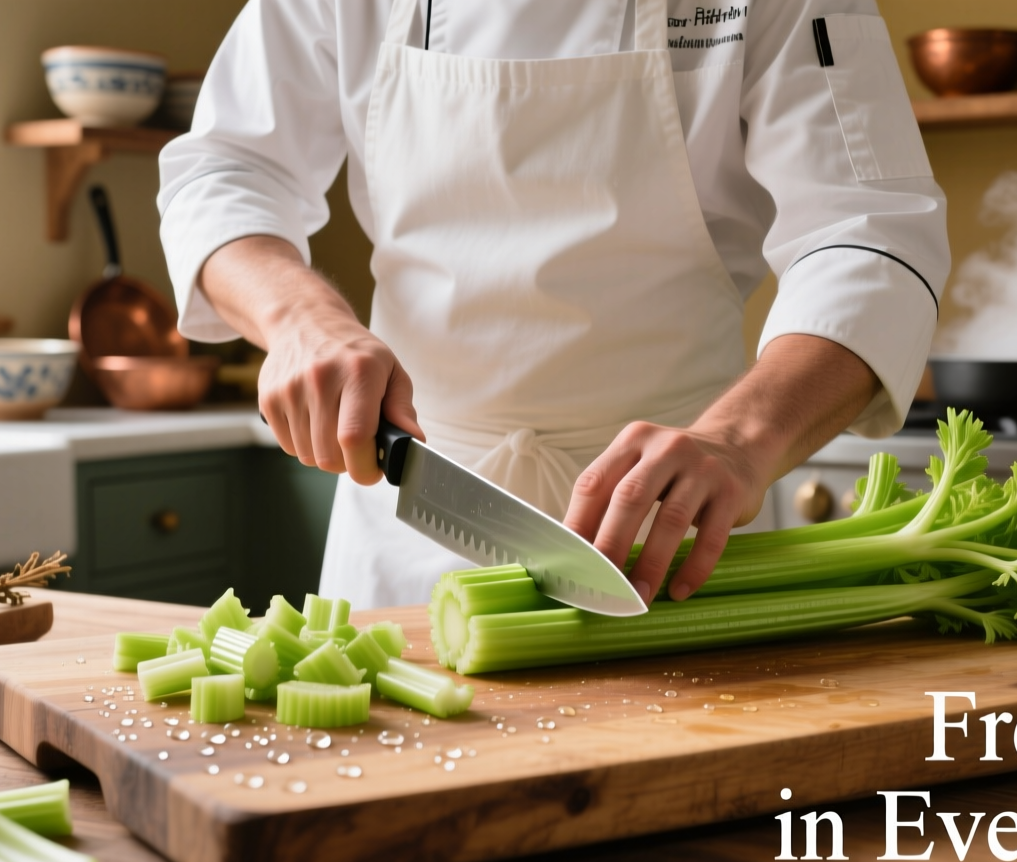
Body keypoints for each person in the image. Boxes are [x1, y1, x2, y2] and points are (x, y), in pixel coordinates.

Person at [158, 0, 947, 610]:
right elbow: (224, 170)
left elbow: (871, 230)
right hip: (411, 500)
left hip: (671, 523)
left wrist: (739, 443)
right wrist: (301, 323)